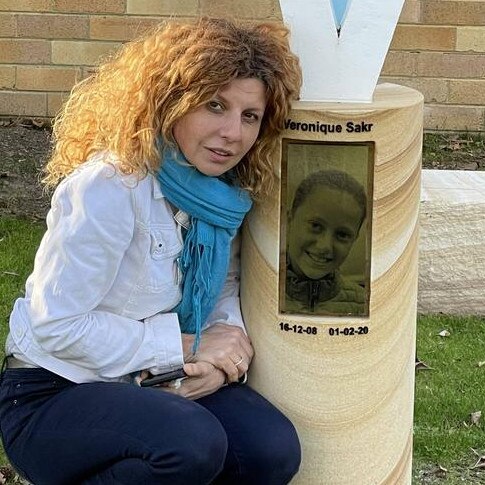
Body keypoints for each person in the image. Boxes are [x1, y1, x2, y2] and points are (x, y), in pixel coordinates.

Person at [0, 17, 302, 484]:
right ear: (170, 104)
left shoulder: (223, 195)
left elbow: (223, 288)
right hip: (56, 391)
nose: (232, 134)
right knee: (191, 443)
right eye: (214, 105)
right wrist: (181, 349)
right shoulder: (112, 185)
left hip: (155, 380)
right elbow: (56, 324)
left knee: (270, 449)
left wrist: (220, 366)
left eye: (249, 116)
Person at [285, 169, 367, 315]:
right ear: (290, 220)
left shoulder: (363, 305)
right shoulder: (257, 290)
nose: (325, 246)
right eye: (315, 226)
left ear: (354, 239)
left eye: (342, 234)